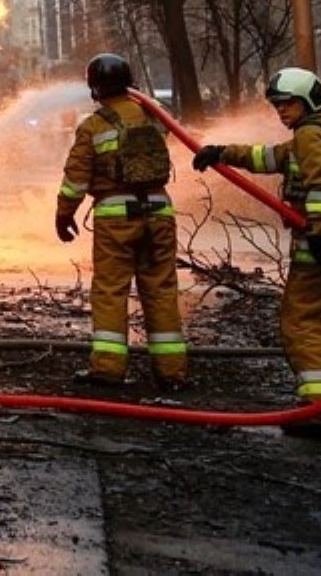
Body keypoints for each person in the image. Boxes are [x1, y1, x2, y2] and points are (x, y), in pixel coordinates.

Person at [192, 67, 321, 438]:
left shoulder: (312, 135)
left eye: (288, 104)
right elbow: (268, 157)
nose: (281, 111)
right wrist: (222, 153)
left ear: (308, 101)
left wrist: (317, 228)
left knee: (307, 324)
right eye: (278, 105)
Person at [55, 53, 188, 390]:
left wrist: (64, 213)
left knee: (111, 291)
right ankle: (171, 372)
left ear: (94, 88)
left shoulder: (94, 126)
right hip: (159, 213)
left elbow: (76, 180)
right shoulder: (153, 117)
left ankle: (109, 368)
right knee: (161, 290)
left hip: (116, 219)